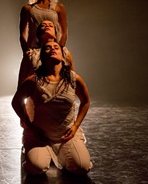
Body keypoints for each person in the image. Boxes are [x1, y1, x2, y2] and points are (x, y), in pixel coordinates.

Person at [12, 41, 93, 175]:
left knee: (82, 167)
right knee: (36, 168)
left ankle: (61, 153)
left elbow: (85, 102)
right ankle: (42, 153)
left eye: (56, 47)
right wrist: (29, 125)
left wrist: (75, 126)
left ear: (63, 56)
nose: (52, 49)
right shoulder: (34, 80)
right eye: (47, 48)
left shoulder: (74, 79)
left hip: (66, 135)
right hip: (40, 136)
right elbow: (16, 102)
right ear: (42, 57)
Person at [18, 0, 68, 86]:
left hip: (53, 50)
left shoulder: (58, 7)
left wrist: (61, 48)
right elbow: (22, 34)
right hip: (35, 50)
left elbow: (64, 31)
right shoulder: (28, 9)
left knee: (59, 79)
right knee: (30, 82)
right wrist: (26, 52)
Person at [24, 18, 74, 122]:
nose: (47, 26)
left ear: (56, 34)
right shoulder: (31, 54)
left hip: (61, 98)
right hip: (37, 100)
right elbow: (22, 82)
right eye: (43, 25)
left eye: (51, 25)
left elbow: (72, 80)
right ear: (38, 34)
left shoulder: (64, 53)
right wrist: (23, 113)